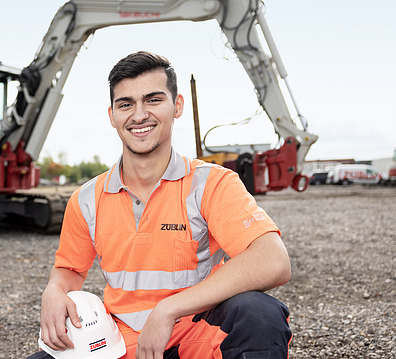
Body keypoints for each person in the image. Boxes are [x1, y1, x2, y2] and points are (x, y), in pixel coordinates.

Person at [28, 51, 292, 359]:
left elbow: (273, 261)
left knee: (259, 313)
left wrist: (169, 309)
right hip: (120, 345)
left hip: (195, 338)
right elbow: (69, 269)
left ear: (176, 105)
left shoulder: (211, 184)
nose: (139, 115)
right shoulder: (87, 199)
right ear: (112, 115)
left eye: (153, 100)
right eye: (125, 104)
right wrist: (54, 291)